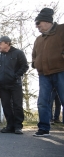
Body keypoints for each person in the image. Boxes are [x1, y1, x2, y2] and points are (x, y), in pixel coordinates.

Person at [32, 8, 64, 136]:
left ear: (46, 21)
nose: (37, 27)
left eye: (38, 23)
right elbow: (34, 54)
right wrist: (35, 63)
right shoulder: (38, 39)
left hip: (60, 71)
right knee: (42, 101)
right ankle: (44, 128)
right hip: (44, 74)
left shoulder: (62, 30)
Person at [0, 36, 29, 135]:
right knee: (6, 105)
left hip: (15, 84)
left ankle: (18, 126)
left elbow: (25, 66)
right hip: (3, 85)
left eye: (0, 43)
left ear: (7, 43)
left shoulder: (18, 53)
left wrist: (16, 76)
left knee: (17, 105)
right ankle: (10, 125)